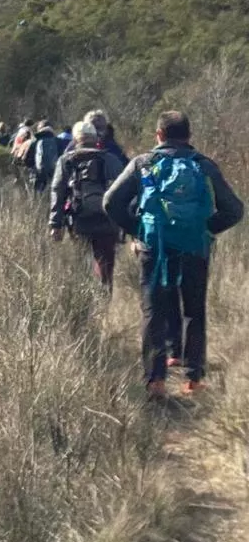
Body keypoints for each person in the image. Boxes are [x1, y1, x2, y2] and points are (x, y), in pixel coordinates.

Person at [103, 111, 244, 398]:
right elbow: (235, 209)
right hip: (194, 247)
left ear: (159, 135)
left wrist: (139, 230)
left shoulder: (143, 163)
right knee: (194, 311)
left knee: (153, 312)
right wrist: (206, 229)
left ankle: (155, 381)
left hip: (154, 248)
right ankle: (193, 380)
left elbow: (111, 202)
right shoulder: (203, 166)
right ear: (188, 136)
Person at [49, 121, 125, 289]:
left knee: (80, 265)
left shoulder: (66, 160)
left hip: (78, 221)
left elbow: (58, 191)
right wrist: (124, 223)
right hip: (107, 222)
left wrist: (56, 223)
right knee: (105, 265)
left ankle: (84, 302)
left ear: (76, 140)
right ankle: (104, 301)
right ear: (95, 139)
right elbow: (123, 191)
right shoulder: (110, 159)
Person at [30, 121, 61, 194]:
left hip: (39, 171)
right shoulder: (58, 140)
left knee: (39, 193)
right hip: (54, 170)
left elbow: (29, 159)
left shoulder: (35, 142)